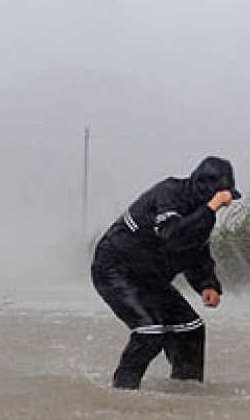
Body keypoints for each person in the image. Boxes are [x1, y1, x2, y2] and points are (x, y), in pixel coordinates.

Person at [90, 156, 240, 389]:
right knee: (149, 331)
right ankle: (122, 395)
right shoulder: (169, 193)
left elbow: (194, 250)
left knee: (191, 327)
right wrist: (211, 208)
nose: (226, 204)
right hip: (115, 268)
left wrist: (207, 284)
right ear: (205, 188)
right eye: (223, 197)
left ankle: (185, 394)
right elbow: (173, 236)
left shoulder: (200, 214)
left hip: (150, 276)